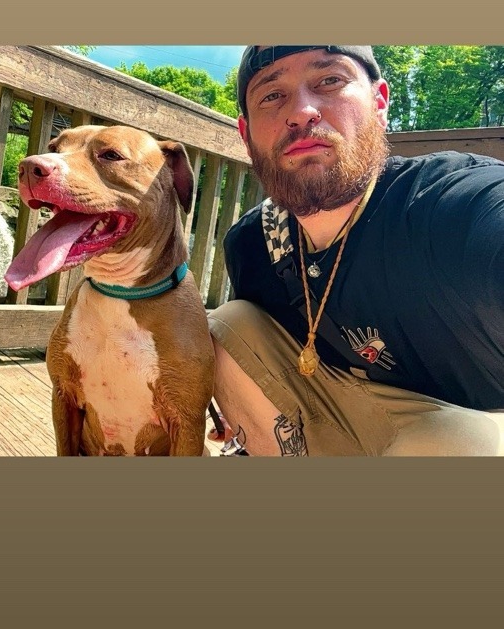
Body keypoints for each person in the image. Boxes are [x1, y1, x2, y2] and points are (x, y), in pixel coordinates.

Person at [207, 44, 504, 456]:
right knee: (228, 325)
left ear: (379, 103)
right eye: (272, 95)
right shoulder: (251, 244)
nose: (302, 112)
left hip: (474, 431)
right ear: (246, 134)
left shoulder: (452, 205)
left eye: (330, 80)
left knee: (461, 443)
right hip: (351, 417)